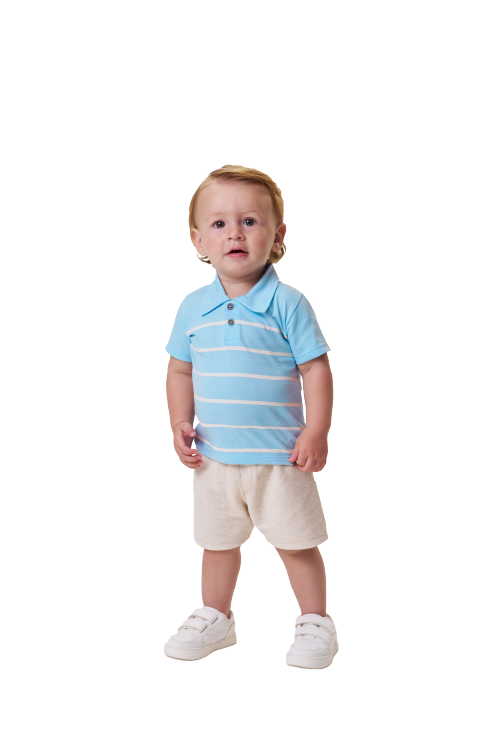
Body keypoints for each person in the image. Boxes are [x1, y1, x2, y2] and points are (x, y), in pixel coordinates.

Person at [163, 165, 339, 669]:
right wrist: (178, 422)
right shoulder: (192, 308)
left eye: (249, 221)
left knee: (296, 544)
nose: (234, 233)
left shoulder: (288, 303)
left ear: (277, 235)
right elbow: (179, 370)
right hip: (214, 457)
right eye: (219, 224)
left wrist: (317, 430)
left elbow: (315, 369)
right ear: (198, 239)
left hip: (281, 458)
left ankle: (316, 621)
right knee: (216, 544)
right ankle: (217, 616)